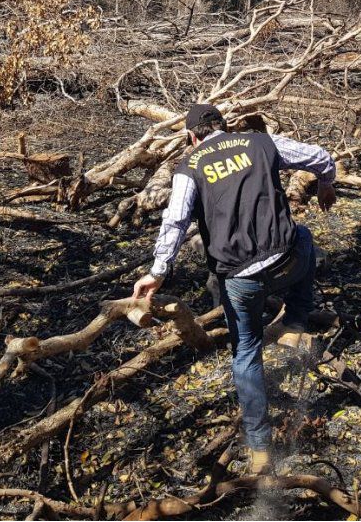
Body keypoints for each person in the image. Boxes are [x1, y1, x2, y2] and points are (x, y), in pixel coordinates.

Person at [132, 103, 336, 475]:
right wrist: (325, 186)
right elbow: (321, 157)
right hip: (286, 262)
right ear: (226, 127)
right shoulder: (260, 142)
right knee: (303, 236)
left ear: (192, 136)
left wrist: (157, 272)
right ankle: (296, 321)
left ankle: (259, 447)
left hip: (239, 279)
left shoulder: (189, 166)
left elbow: (175, 221)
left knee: (245, 353)